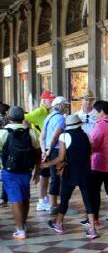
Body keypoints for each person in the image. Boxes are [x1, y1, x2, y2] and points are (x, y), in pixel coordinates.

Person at [42, 114, 98, 239]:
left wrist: (46, 164)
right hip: (86, 172)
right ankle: (92, 229)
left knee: (65, 199)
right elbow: (90, 152)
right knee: (88, 200)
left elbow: (61, 158)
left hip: (70, 173)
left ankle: (59, 224)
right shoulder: (85, 136)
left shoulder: (64, 136)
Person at [0, 107, 40, 240]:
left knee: (14, 199)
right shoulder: (30, 132)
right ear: (23, 117)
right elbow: (37, 152)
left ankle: (20, 230)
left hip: (9, 171)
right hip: (26, 170)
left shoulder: (4, 133)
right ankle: (23, 223)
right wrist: (38, 170)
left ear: (9, 118)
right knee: (24, 197)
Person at [88, 100, 108, 226]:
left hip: (99, 163)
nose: (94, 114)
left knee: (95, 191)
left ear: (101, 111)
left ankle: (94, 218)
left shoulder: (100, 125)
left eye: (95, 111)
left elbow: (94, 145)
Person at [25, 91, 55, 212]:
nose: (52, 102)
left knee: (46, 175)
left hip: (47, 147)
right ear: (43, 101)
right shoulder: (39, 112)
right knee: (43, 175)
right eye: (50, 100)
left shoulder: (48, 112)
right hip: (42, 148)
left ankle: (44, 199)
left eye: (52, 100)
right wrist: (30, 134)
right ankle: (41, 200)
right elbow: (24, 118)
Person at [41, 96, 69, 214]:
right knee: (56, 177)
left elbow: (42, 135)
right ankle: (53, 205)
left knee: (53, 177)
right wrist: (50, 149)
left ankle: (53, 203)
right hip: (56, 150)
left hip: (48, 149)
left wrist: (44, 150)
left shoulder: (49, 116)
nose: (67, 107)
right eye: (65, 105)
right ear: (61, 106)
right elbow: (55, 136)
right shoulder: (60, 119)